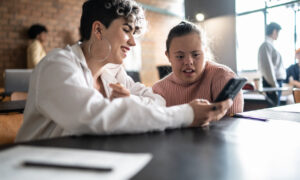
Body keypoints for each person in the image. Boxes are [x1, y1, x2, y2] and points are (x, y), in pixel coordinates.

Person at [15, 0, 232, 142]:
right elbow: (93, 117)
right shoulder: (57, 65)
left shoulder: (112, 71)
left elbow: (156, 100)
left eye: (134, 34)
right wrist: (187, 113)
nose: (132, 42)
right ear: (98, 29)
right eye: (126, 30)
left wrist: (130, 100)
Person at [152, 21, 243, 115]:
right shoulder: (158, 90)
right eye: (180, 56)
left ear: (205, 52)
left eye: (196, 54)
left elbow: (231, 126)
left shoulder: (223, 78)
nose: (188, 62)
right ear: (168, 56)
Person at [258, 22, 286, 107]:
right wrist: (274, 85)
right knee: (274, 109)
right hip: (272, 83)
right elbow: (268, 67)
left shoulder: (270, 45)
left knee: (275, 107)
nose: (278, 35)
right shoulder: (266, 45)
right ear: (274, 31)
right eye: (278, 32)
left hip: (275, 82)